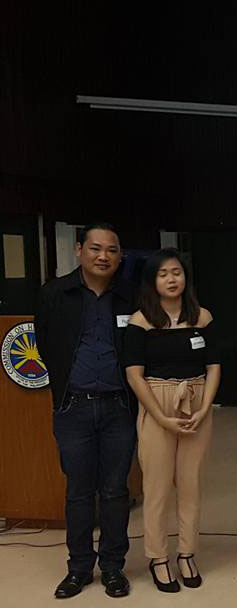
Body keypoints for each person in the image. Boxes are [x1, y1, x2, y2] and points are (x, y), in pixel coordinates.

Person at [35, 223, 136, 599]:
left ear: (119, 255)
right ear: (80, 249)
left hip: (118, 409)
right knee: (78, 493)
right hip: (73, 407)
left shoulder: (129, 296)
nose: (103, 256)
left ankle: (112, 568)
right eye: (95, 248)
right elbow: (45, 344)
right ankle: (78, 569)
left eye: (111, 250)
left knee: (114, 491)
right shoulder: (54, 293)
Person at [124, 248, 221, 592]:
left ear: (185, 277)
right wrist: (162, 418)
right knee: (158, 487)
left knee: (191, 484)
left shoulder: (202, 317)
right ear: (153, 280)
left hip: (196, 402)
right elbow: (134, 375)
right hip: (157, 402)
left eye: (176, 272)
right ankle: (158, 557)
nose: (171, 279)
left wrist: (205, 407)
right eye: (163, 273)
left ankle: (186, 553)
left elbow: (213, 366)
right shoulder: (140, 321)